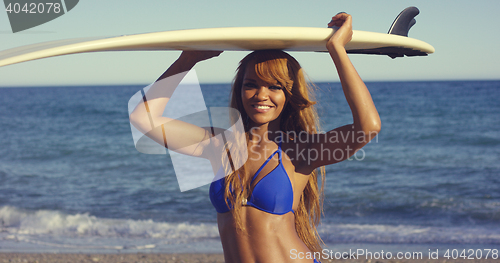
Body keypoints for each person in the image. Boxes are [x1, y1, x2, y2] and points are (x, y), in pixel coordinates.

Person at [130, 12, 380, 263]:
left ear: (289, 94)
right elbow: (144, 118)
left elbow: (368, 126)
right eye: (251, 84)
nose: (261, 94)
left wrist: (337, 49)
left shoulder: (301, 151)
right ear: (240, 90)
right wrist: (188, 59)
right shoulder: (218, 145)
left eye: (274, 86)